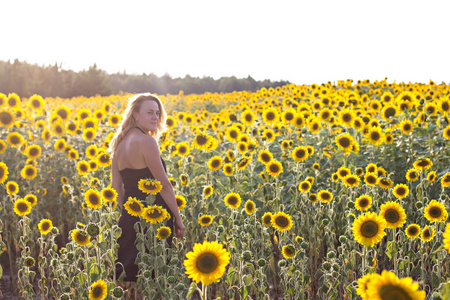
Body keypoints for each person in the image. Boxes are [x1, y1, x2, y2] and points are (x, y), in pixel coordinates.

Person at [109, 93, 185, 287]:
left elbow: (116, 187)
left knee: (128, 277)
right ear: (135, 114)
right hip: (154, 216)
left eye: (157, 113)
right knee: (155, 276)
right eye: (149, 112)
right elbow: (164, 185)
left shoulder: (119, 143)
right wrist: (177, 217)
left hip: (130, 216)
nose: (155, 117)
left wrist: (128, 213)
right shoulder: (147, 142)